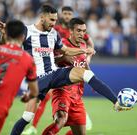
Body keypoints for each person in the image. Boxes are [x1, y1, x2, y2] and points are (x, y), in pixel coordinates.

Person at [0, 4, 129, 135]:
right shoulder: (26, 31)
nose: (54, 23)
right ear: (42, 17)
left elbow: (65, 50)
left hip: (53, 74)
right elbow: (9, 44)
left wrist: (83, 50)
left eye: (55, 20)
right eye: (51, 20)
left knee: (85, 73)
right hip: (37, 80)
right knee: (27, 117)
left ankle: (116, 102)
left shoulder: (53, 34)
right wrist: (3, 35)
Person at [22, 6, 93, 135]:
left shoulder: (79, 32)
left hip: (71, 74)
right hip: (54, 69)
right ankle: (33, 126)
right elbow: (57, 51)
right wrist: (62, 57)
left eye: (69, 14)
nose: (66, 16)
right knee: (45, 98)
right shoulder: (56, 30)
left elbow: (90, 45)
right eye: (64, 13)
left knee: (73, 100)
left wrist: (87, 58)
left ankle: (79, 116)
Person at [42, 17, 93, 135]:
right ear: (71, 31)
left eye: (84, 31)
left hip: (77, 96)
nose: (82, 34)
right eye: (79, 30)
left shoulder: (83, 46)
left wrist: (93, 80)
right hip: (62, 91)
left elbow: (84, 64)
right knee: (60, 119)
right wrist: (63, 58)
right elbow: (50, 62)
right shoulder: (62, 44)